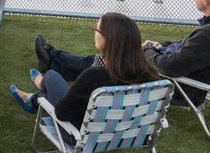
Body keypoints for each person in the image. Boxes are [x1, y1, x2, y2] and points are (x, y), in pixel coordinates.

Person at [34, 0, 210, 106]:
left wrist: (146, 52)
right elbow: (188, 49)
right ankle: (55, 61)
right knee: (110, 60)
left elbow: (171, 67)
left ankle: (53, 58)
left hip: (179, 88)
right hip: (187, 77)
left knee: (114, 59)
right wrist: (162, 45)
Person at [11, 13, 160, 131]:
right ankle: (33, 97)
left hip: (78, 133)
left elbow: (62, 113)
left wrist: (53, 91)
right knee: (65, 78)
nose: (94, 32)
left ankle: (39, 91)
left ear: (108, 39)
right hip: (127, 133)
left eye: (96, 29)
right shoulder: (151, 75)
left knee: (52, 76)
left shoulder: (94, 77)